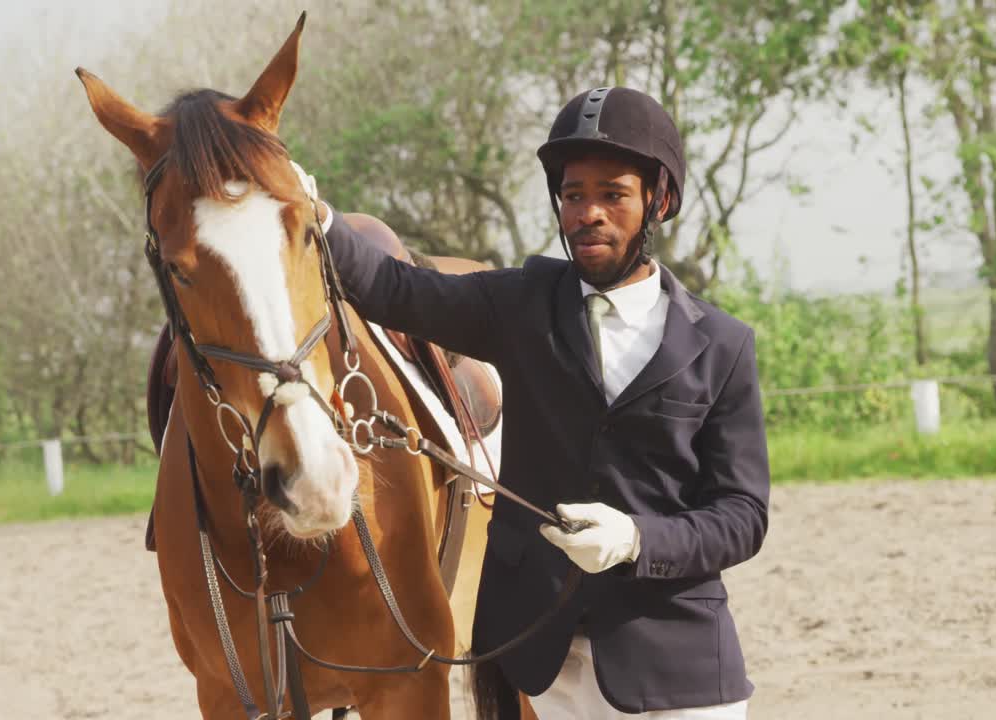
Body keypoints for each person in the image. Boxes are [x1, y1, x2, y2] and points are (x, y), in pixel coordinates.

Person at [297, 86, 769, 719]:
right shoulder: (523, 303)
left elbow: (742, 516)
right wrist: (314, 215)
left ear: (660, 199)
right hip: (548, 659)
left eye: (613, 194)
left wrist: (636, 538)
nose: (589, 213)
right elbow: (396, 290)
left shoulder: (723, 345)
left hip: (677, 662)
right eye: (574, 196)